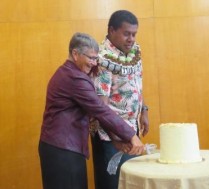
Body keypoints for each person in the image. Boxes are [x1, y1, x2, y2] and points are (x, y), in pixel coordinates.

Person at [38, 32, 145, 189]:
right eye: (91, 58)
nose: (95, 63)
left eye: (96, 59)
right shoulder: (75, 79)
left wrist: (117, 140)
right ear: (75, 54)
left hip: (61, 147)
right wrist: (131, 135)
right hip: (63, 151)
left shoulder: (68, 73)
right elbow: (101, 110)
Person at [90, 10, 149, 189]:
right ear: (111, 30)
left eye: (134, 34)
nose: (131, 39)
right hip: (110, 136)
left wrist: (144, 110)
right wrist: (116, 138)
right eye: (126, 34)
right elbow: (101, 107)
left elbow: (137, 84)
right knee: (113, 184)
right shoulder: (102, 59)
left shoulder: (133, 51)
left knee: (131, 183)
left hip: (131, 130)